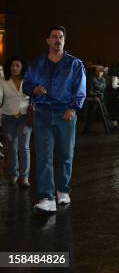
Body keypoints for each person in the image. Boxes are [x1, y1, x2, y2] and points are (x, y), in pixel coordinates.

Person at [23, 26, 86, 213]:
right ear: (48, 41)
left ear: (64, 41)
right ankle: (46, 197)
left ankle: (62, 189)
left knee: (66, 154)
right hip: (42, 113)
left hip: (65, 114)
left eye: (61, 37)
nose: (58, 39)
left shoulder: (75, 64)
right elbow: (27, 83)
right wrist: (33, 89)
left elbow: (80, 89)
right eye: (54, 37)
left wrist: (72, 108)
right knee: (44, 155)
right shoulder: (38, 63)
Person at [0, 56, 32, 187]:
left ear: (22, 67)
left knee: (24, 147)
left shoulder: (29, 80)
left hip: (25, 117)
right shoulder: (3, 80)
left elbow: (35, 95)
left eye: (18, 65)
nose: (15, 68)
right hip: (8, 117)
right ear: (9, 67)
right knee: (12, 148)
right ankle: (14, 174)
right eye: (13, 65)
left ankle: (24, 177)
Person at [83, 65, 109, 133]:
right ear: (96, 72)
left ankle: (108, 127)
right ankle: (86, 129)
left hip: (100, 98)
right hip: (93, 99)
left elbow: (103, 90)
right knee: (91, 115)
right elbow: (89, 91)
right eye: (99, 71)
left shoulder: (103, 79)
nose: (100, 72)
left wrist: (100, 95)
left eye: (101, 71)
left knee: (105, 113)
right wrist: (95, 95)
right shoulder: (91, 79)